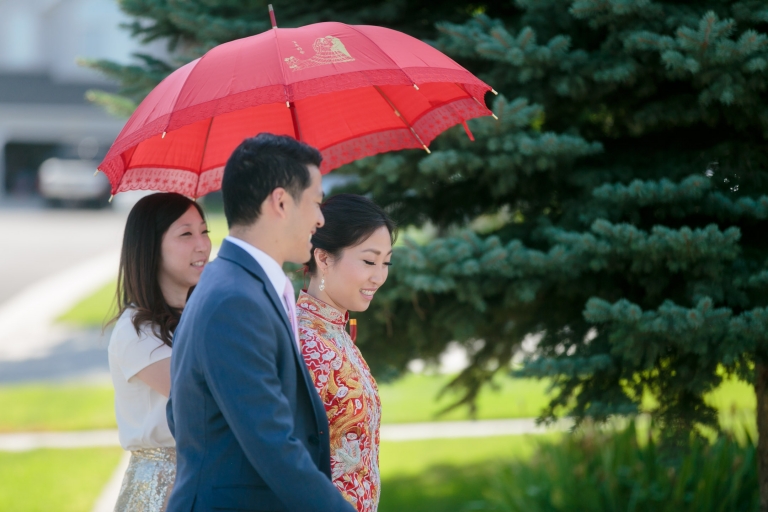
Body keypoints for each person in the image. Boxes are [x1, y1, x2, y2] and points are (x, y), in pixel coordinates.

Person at [166, 133, 357, 512]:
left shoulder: (239, 283)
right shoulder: (234, 299)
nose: (321, 218)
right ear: (281, 202)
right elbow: (273, 443)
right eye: (316, 202)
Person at [108, 192, 212, 512]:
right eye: (186, 234)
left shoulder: (201, 315)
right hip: (161, 490)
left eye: (205, 231)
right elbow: (207, 399)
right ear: (151, 247)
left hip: (204, 484)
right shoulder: (136, 331)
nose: (203, 245)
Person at [297, 194, 396, 512]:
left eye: (386, 262)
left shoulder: (336, 331)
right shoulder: (303, 343)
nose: (379, 277)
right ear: (323, 258)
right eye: (369, 261)